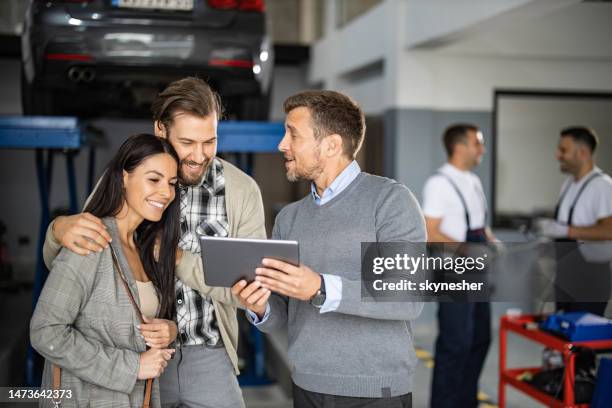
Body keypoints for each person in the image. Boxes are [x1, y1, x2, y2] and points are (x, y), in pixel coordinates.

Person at [41, 77, 266, 408]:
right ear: (161, 129)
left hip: (208, 353)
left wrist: (179, 259)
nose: (199, 155)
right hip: (133, 352)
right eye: (188, 142)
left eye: (210, 141)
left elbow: (249, 289)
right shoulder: (126, 178)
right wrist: (57, 230)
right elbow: (75, 267)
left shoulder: (241, 191)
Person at [232, 90, 425, 407]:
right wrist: (259, 306)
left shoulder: (391, 201)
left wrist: (320, 286)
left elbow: (406, 297)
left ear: (332, 145)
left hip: (374, 392)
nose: (282, 145)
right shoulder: (289, 217)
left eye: (293, 134)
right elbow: (283, 315)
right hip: (307, 385)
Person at [31, 134, 180, 407]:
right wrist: (132, 367)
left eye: (172, 183)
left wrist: (170, 329)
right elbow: (45, 331)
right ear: (124, 177)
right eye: (154, 179)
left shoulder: (144, 247)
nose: (166, 193)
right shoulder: (91, 240)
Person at [422, 124, 497, 408]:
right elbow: (430, 233)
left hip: (477, 268)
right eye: (478, 143)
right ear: (460, 146)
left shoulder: (473, 181)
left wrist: (491, 241)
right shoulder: (439, 183)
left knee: (479, 338)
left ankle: (466, 402)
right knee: (455, 344)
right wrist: (472, 250)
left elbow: (478, 225)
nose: (482, 149)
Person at [537, 126, 612, 316]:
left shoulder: (602, 186)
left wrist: (567, 231)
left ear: (583, 152)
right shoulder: (568, 184)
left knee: (583, 342)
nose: (557, 155)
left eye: (563, 150)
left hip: (590, 281)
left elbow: (608, 230)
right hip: (566, 275)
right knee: (561, 336)